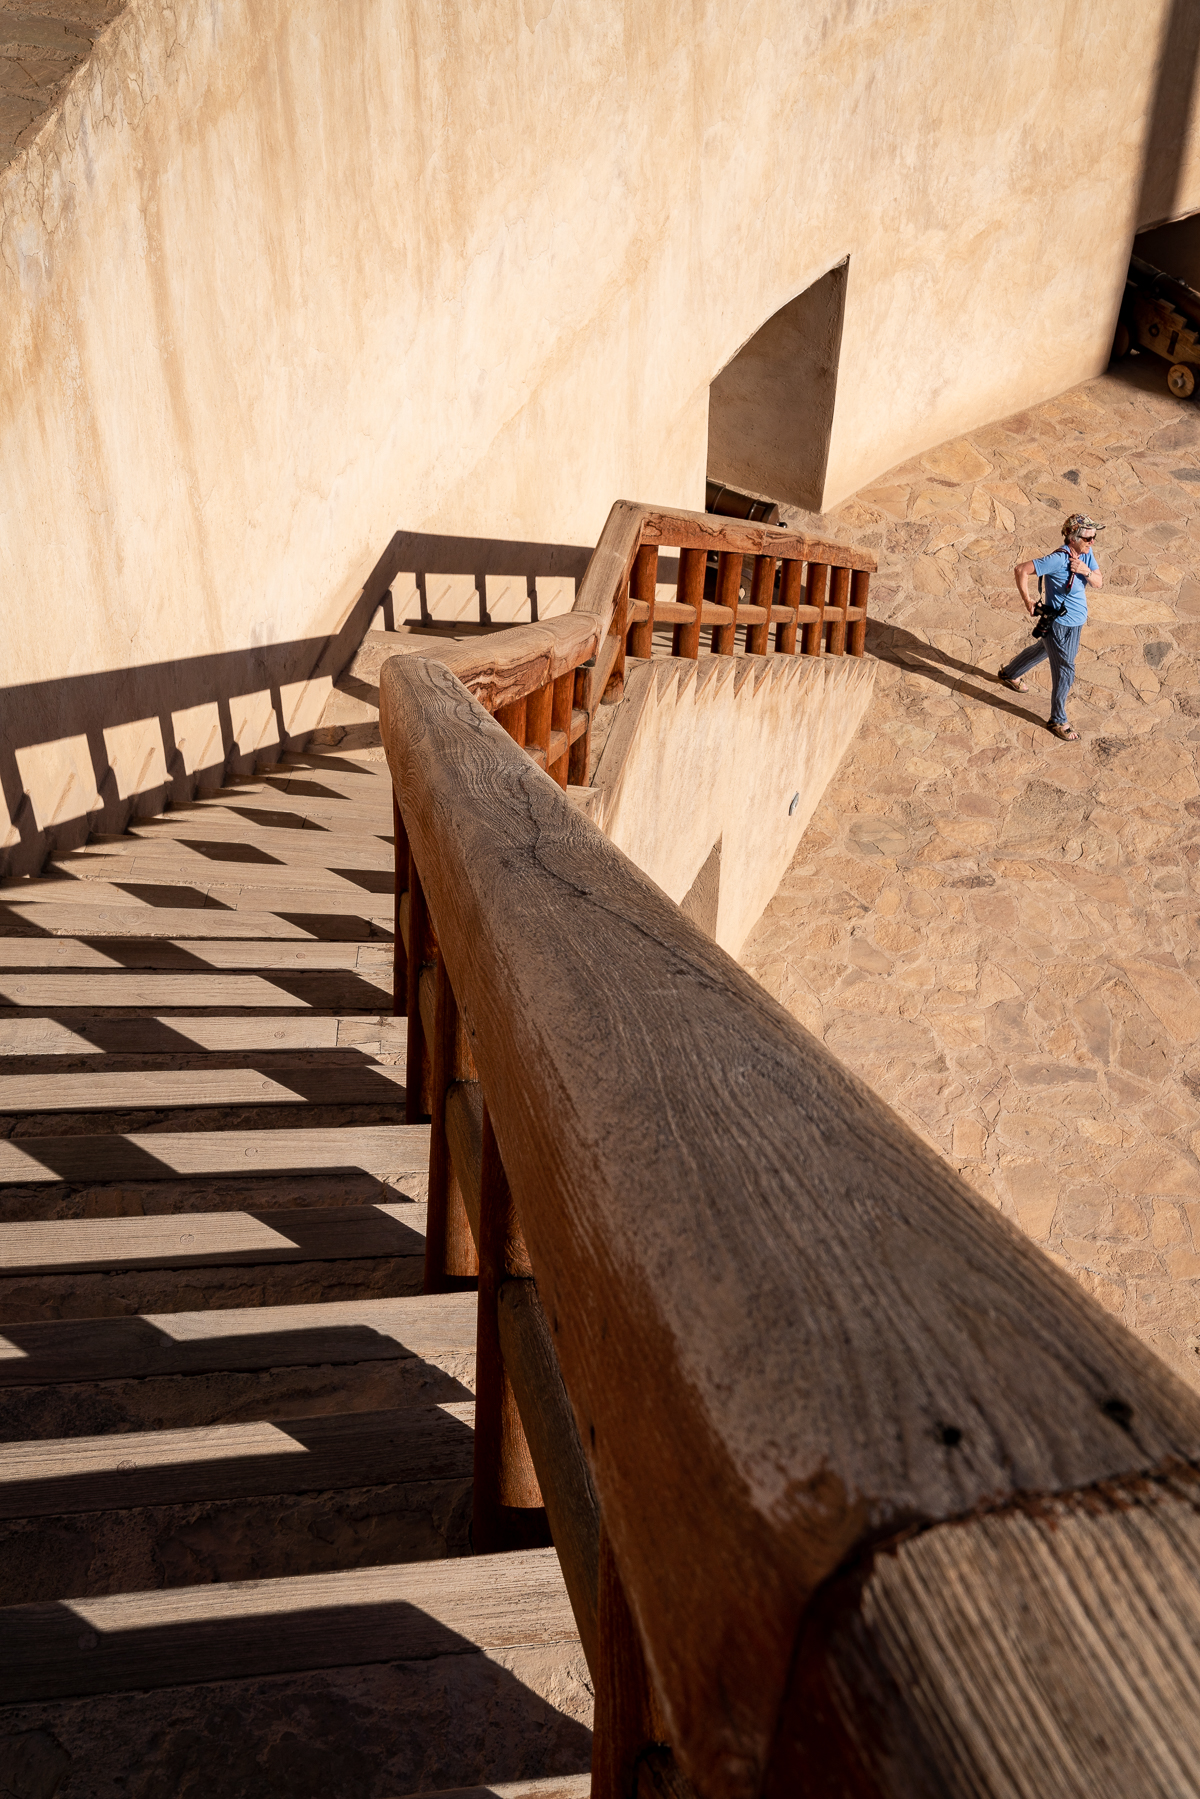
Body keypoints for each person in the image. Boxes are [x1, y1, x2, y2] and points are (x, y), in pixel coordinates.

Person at [998, 513, 1104, 741]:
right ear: (1073, 538)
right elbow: (1021, 570)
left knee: (1044, 650)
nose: (1092, 542)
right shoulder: (1058, 560)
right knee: (1066, 668)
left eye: (1094, 537)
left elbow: (1098, 581)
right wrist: (1028, 601)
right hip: (1058, 623)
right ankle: (1057, 719)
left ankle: (1011, 673)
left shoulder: (1087, 553)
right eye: (1088, 538)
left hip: (1076, 623)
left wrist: (1085, 571)